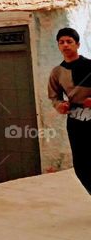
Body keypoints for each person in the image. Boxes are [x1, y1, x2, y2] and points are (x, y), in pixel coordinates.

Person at [48, 27, 91, 194]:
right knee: (81, 166)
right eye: (61, 42)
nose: (65, 45)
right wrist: (60, 105)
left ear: (77, 44)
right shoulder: (57, 72)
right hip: (75, 120)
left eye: (69, 41)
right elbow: (54, 97)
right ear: (58, 46)